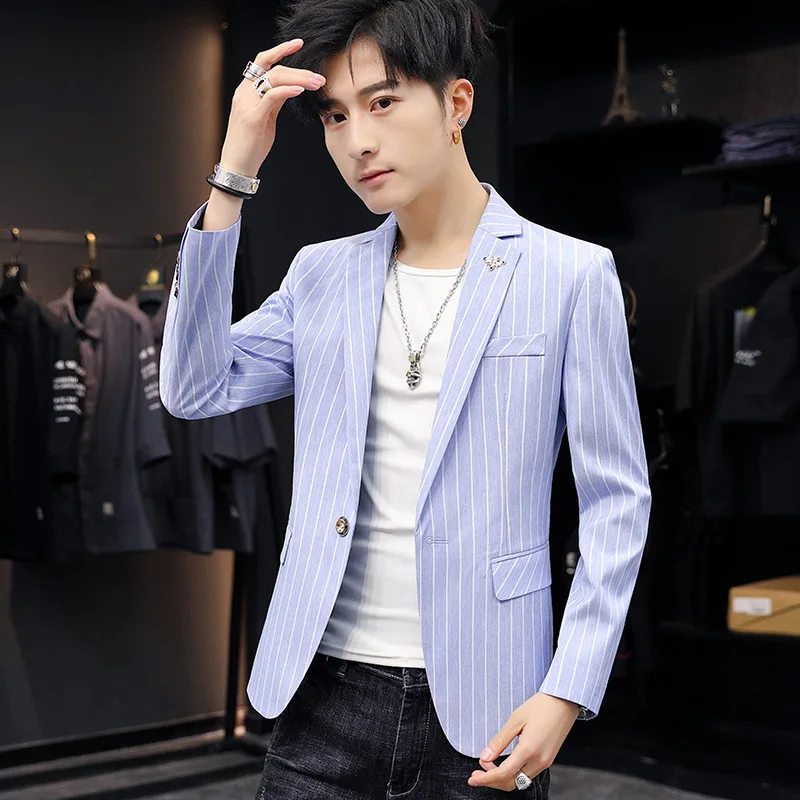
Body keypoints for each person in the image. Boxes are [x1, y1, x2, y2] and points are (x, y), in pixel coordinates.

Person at [159, 1, 652, 796]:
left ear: (457, 104)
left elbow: (617, 501)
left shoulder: (570, 275)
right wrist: (233, 175)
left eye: (383, 101)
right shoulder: (321, 275)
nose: (358, 140)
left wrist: (568, 688)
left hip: (490, 701)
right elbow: (192, 386)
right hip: (322, 694)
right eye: (334, 115)